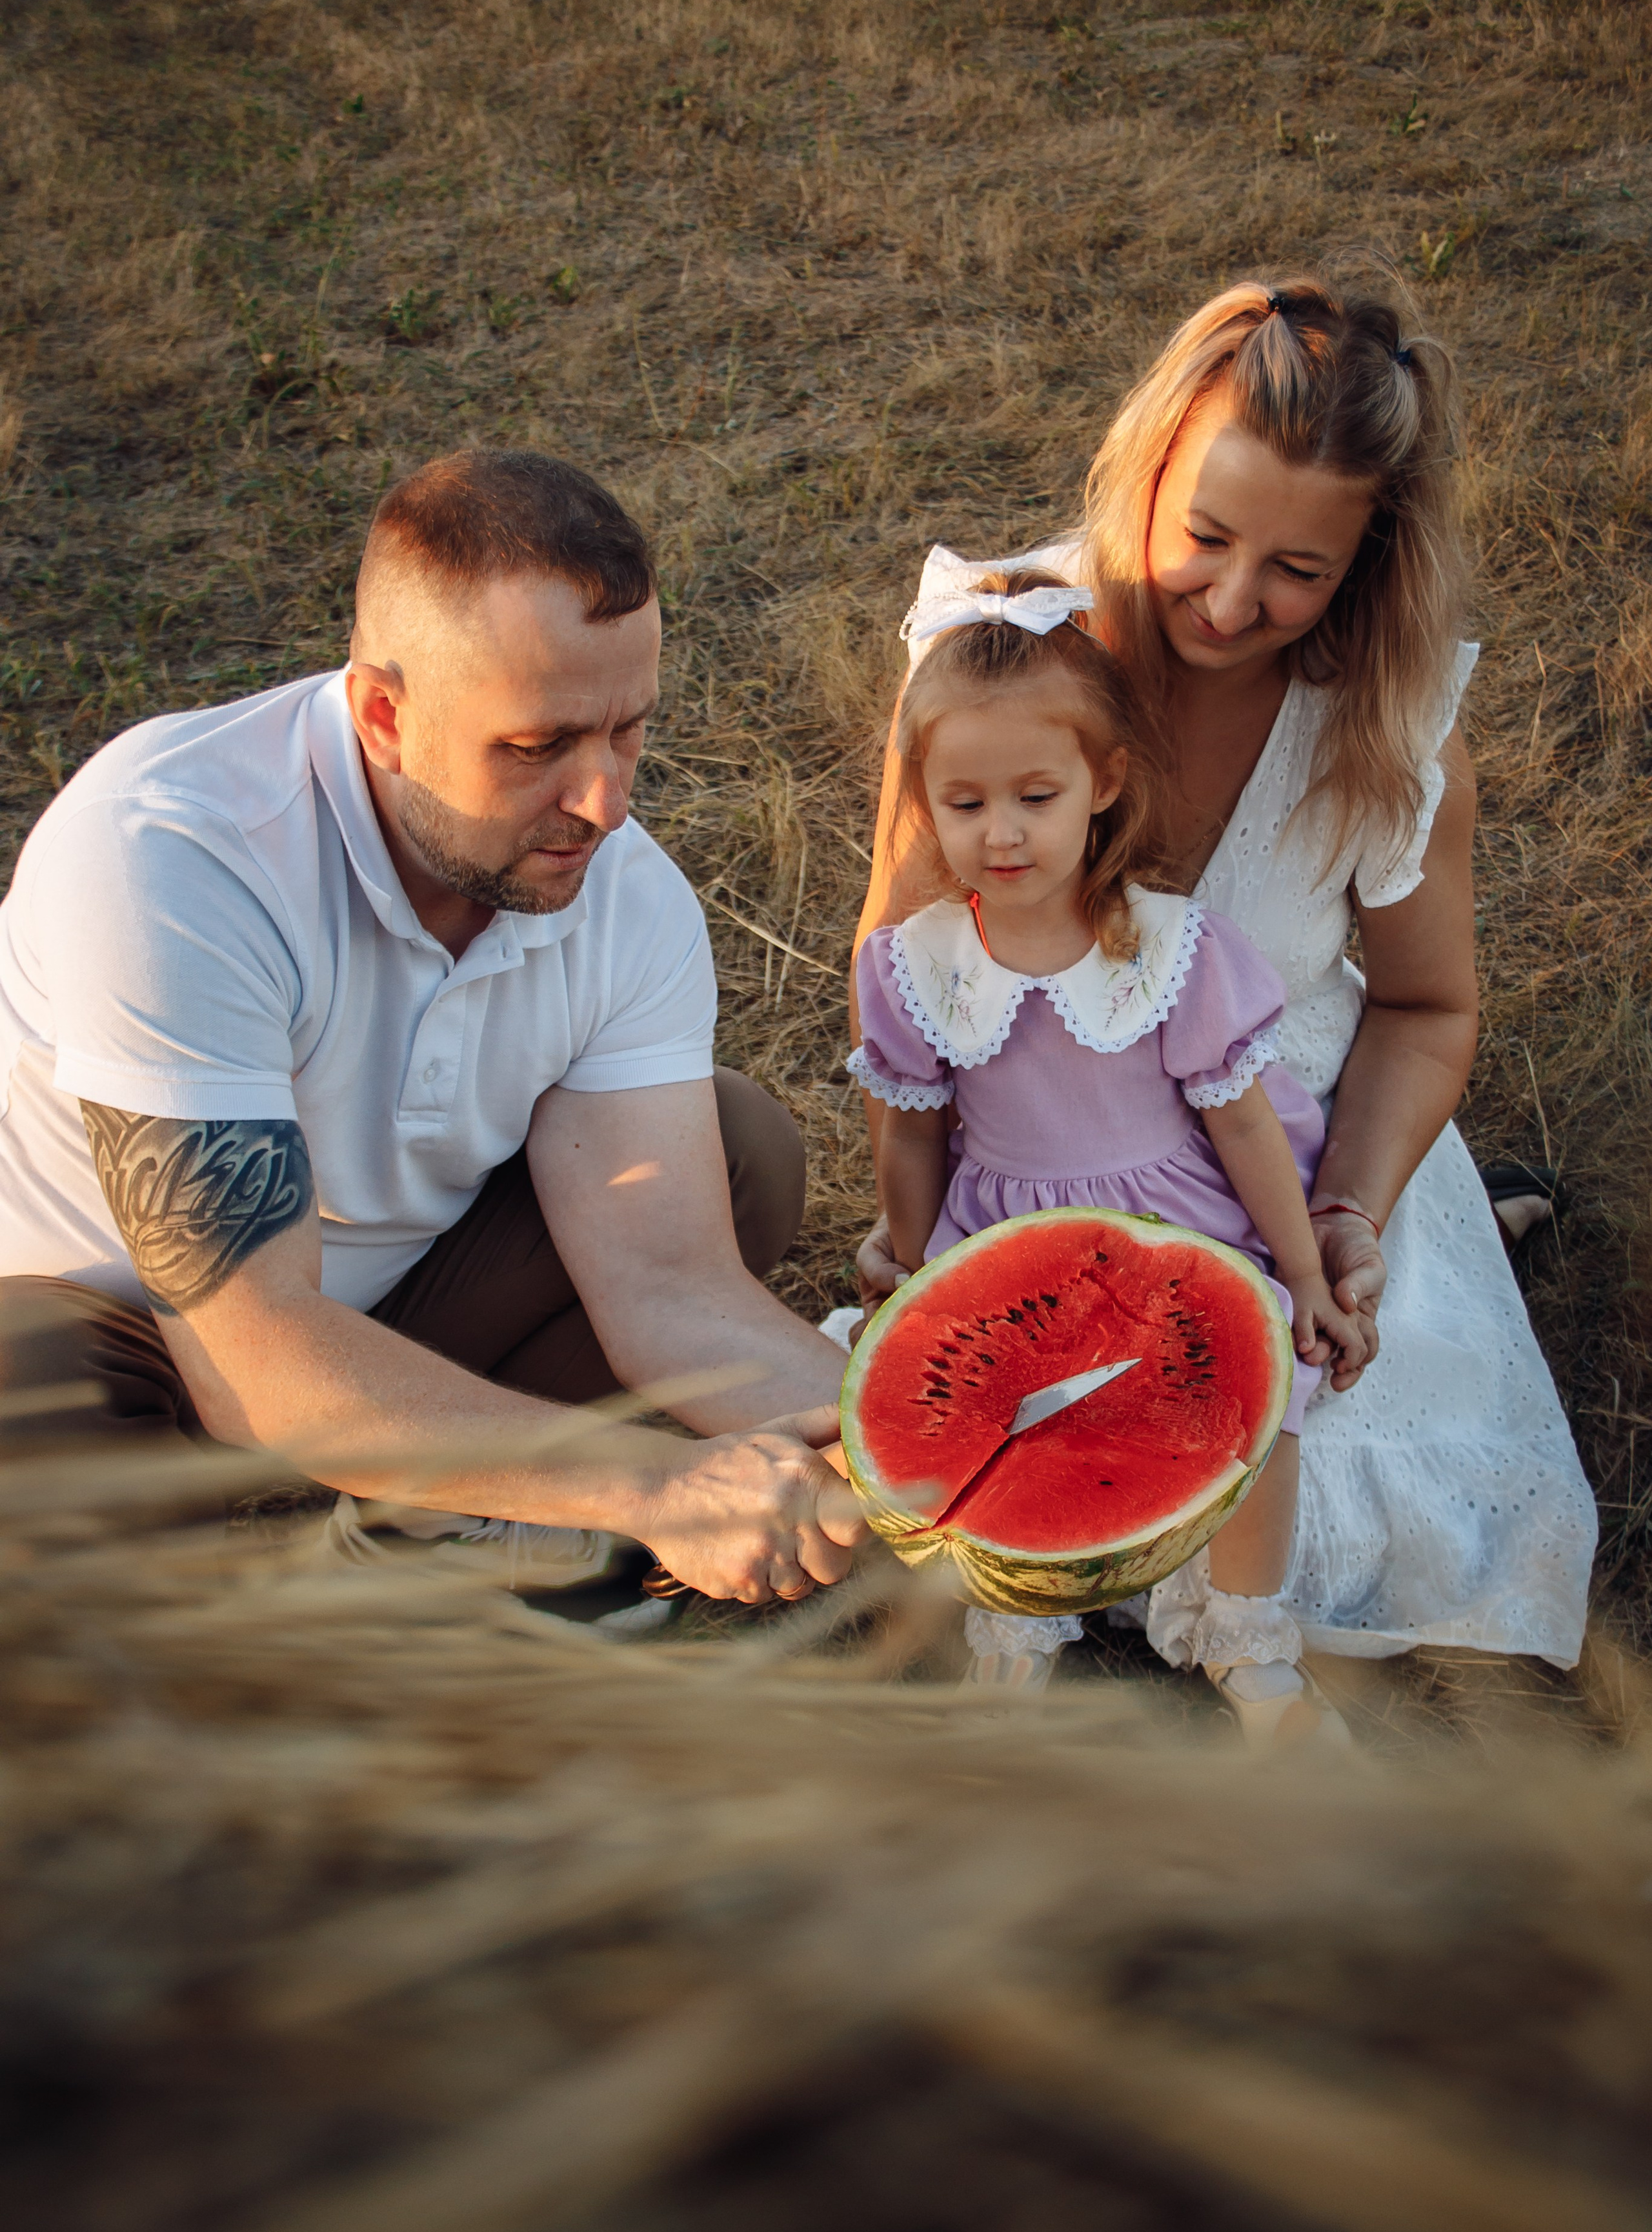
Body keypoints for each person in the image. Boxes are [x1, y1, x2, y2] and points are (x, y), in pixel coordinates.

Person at [851, 272, 1597, 1679]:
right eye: (1203, 536)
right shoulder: (999, 657)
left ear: (1364, 567)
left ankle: (1457, 1232)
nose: (1234, 600)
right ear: (1144, 476)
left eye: (1299, 571)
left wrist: (1348, 1213)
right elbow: (905, 965)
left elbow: (1425, 1007)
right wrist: (921, 1218)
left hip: (1290, 1154)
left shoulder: (1387, 727)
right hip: (1036, 1157)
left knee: (1359, 1526)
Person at [0, 450, 865, 1604]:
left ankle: (430, 1522)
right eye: (538, 747)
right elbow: (252, 1358)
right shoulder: (169, 855)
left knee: (740, 1148)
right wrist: (654, 1487)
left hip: (392, 1305)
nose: (605, 802)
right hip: (123, 1341)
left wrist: (947, 1460)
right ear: (384, 715)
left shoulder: (627, 892)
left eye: (628, 730)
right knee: (29, 1395)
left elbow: (671, 1288)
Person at [851, 567, 1365, 1740]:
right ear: (926, 801)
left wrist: (1299, 1270)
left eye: (1036, 796)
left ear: (1105, 783)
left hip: (1177, 1223)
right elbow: (914, 1130)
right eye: (965, 802)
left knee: (1256, 1412)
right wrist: (920, 1271)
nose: (1002, 832)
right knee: (1006, 1418)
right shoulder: (914, 964)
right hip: (1006, 1234)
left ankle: (1250, 1643)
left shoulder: (1170, 948)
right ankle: (1015, 1636)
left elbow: (1242, 1121)